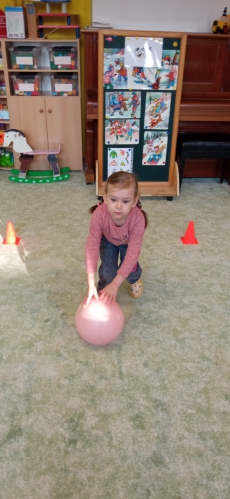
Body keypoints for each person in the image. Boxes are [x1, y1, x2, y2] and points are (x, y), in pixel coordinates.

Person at [85, 172, 148, 305]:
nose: (119, 206)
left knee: (131, 268)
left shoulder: (138, 219)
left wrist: (116, 285)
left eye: (125, 201)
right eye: (114, 200)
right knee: (108, 271)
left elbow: (133, 252)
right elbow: (91, 248)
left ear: (134, 201)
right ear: (106, 198)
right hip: (108, 240)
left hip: (128, 243)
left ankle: (135, 279)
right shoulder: (98, 215)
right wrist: (91, 284)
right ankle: (104, 290)